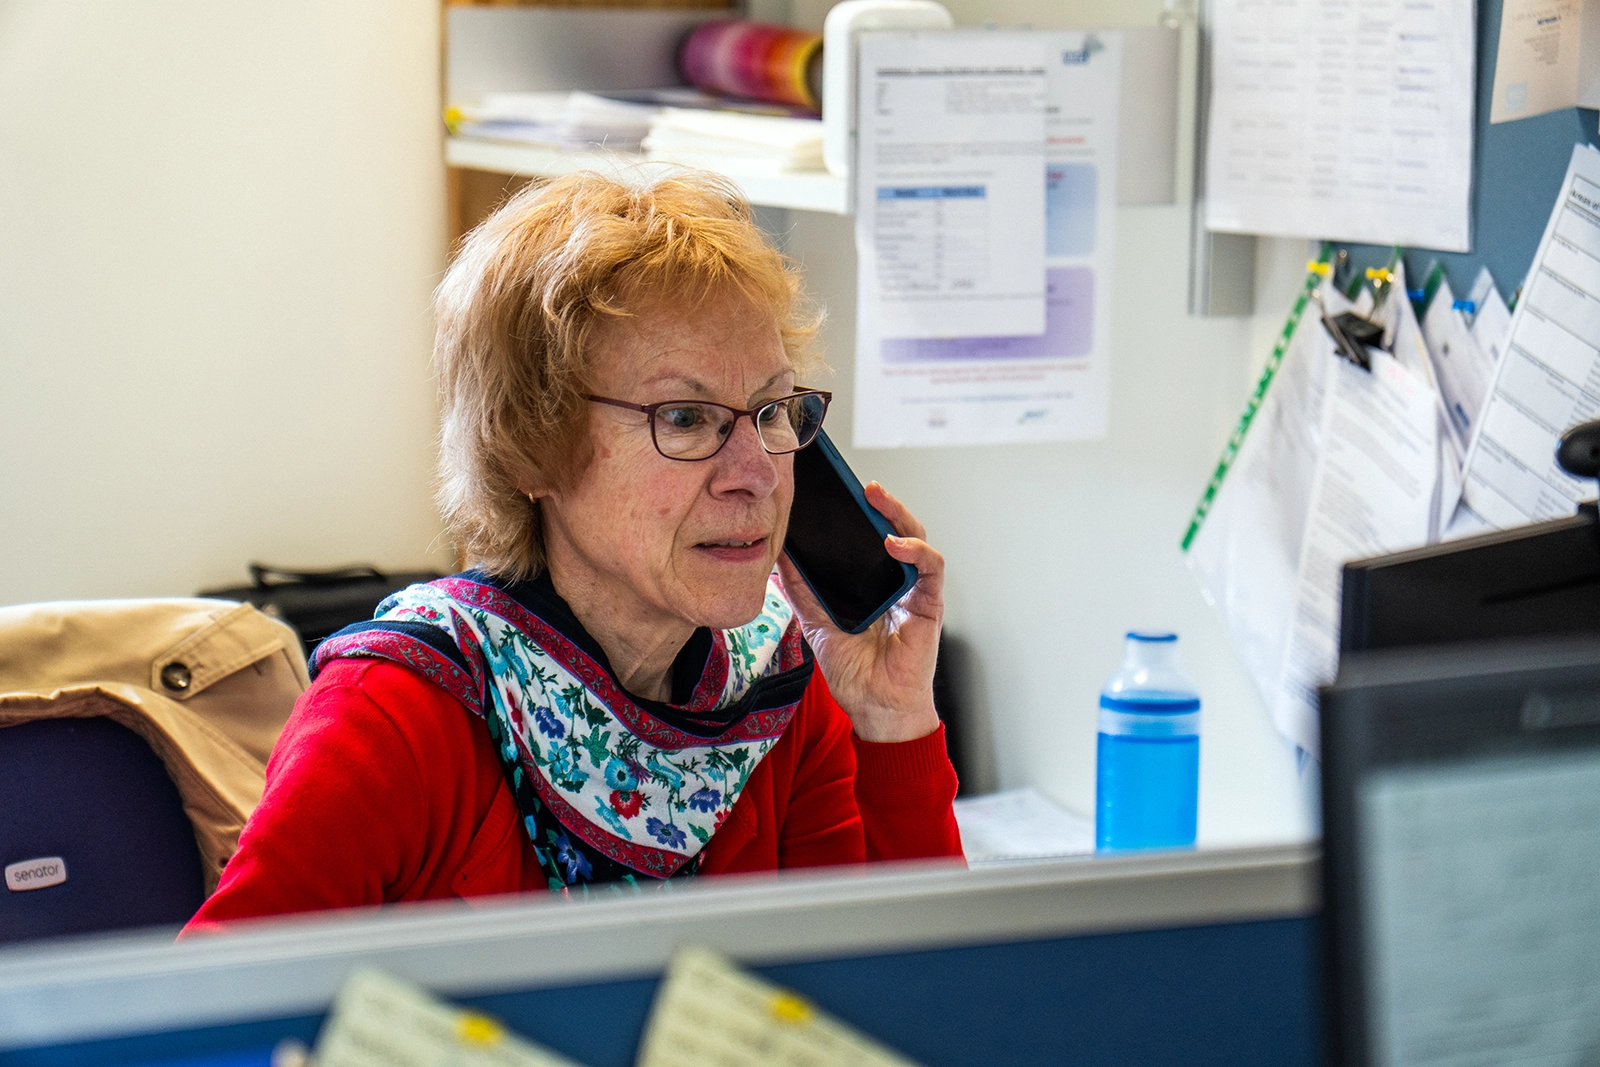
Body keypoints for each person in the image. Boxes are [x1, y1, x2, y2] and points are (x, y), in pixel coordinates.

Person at [186, 169, 962, 925]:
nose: (757, 472)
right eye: (687, 417)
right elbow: (201, 1025)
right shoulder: (395, 715)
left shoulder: (777, 689)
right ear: (530, 447)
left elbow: (907, 1010)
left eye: (770, 409)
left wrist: (892, 721)